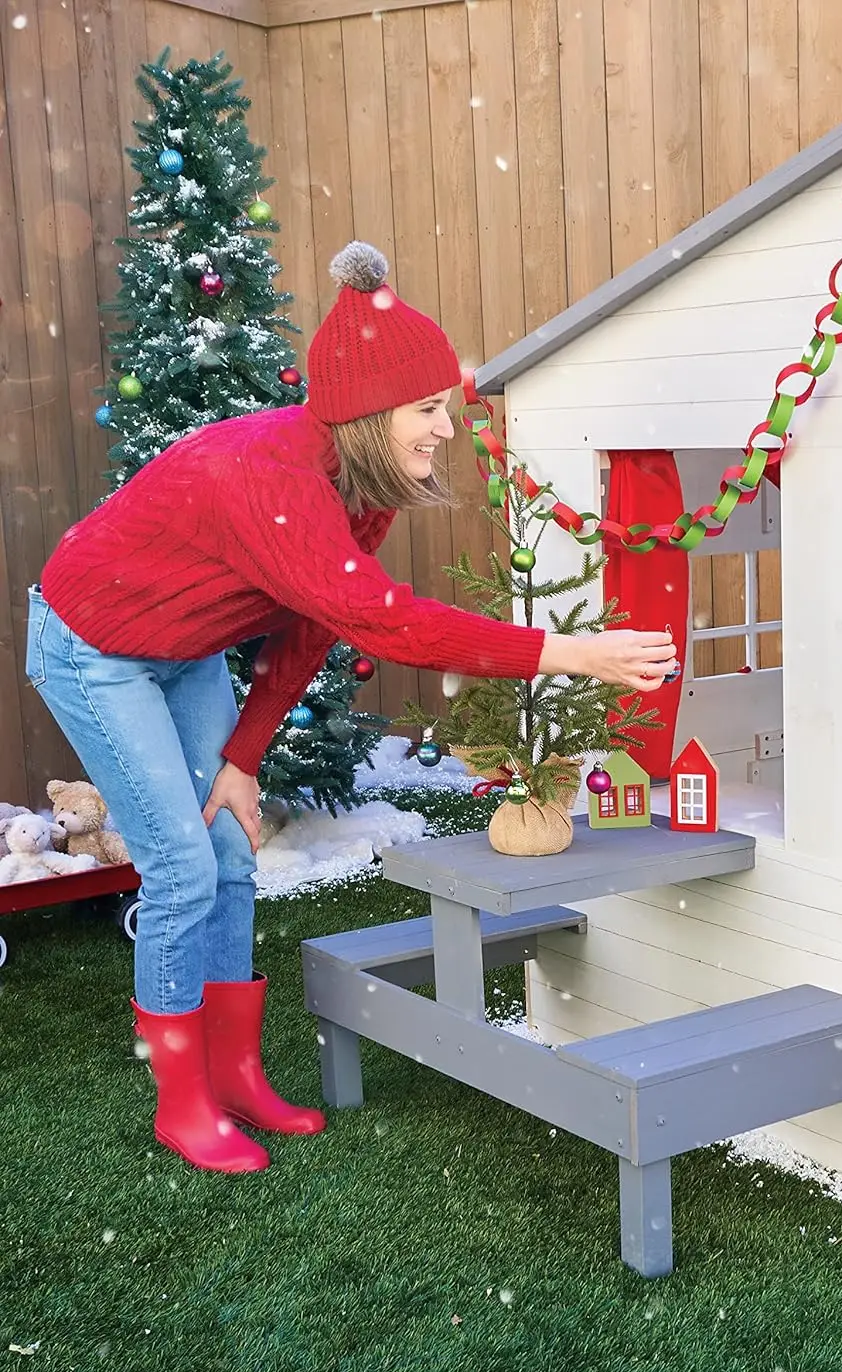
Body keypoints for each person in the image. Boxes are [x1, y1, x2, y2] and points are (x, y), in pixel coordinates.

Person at [26, 242, 676, 1177]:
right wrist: (571, 654)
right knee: (179, 867)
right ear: (370, 414)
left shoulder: (364, 483)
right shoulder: (275, 481)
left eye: (444, 407)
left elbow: (311, 627)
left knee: (227, 850)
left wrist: (245, 755)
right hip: (96, 647)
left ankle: (236, 1073)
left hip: (187, 651)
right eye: (428, 410)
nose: (446, 428)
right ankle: (184, 1104)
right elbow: (385, 621)